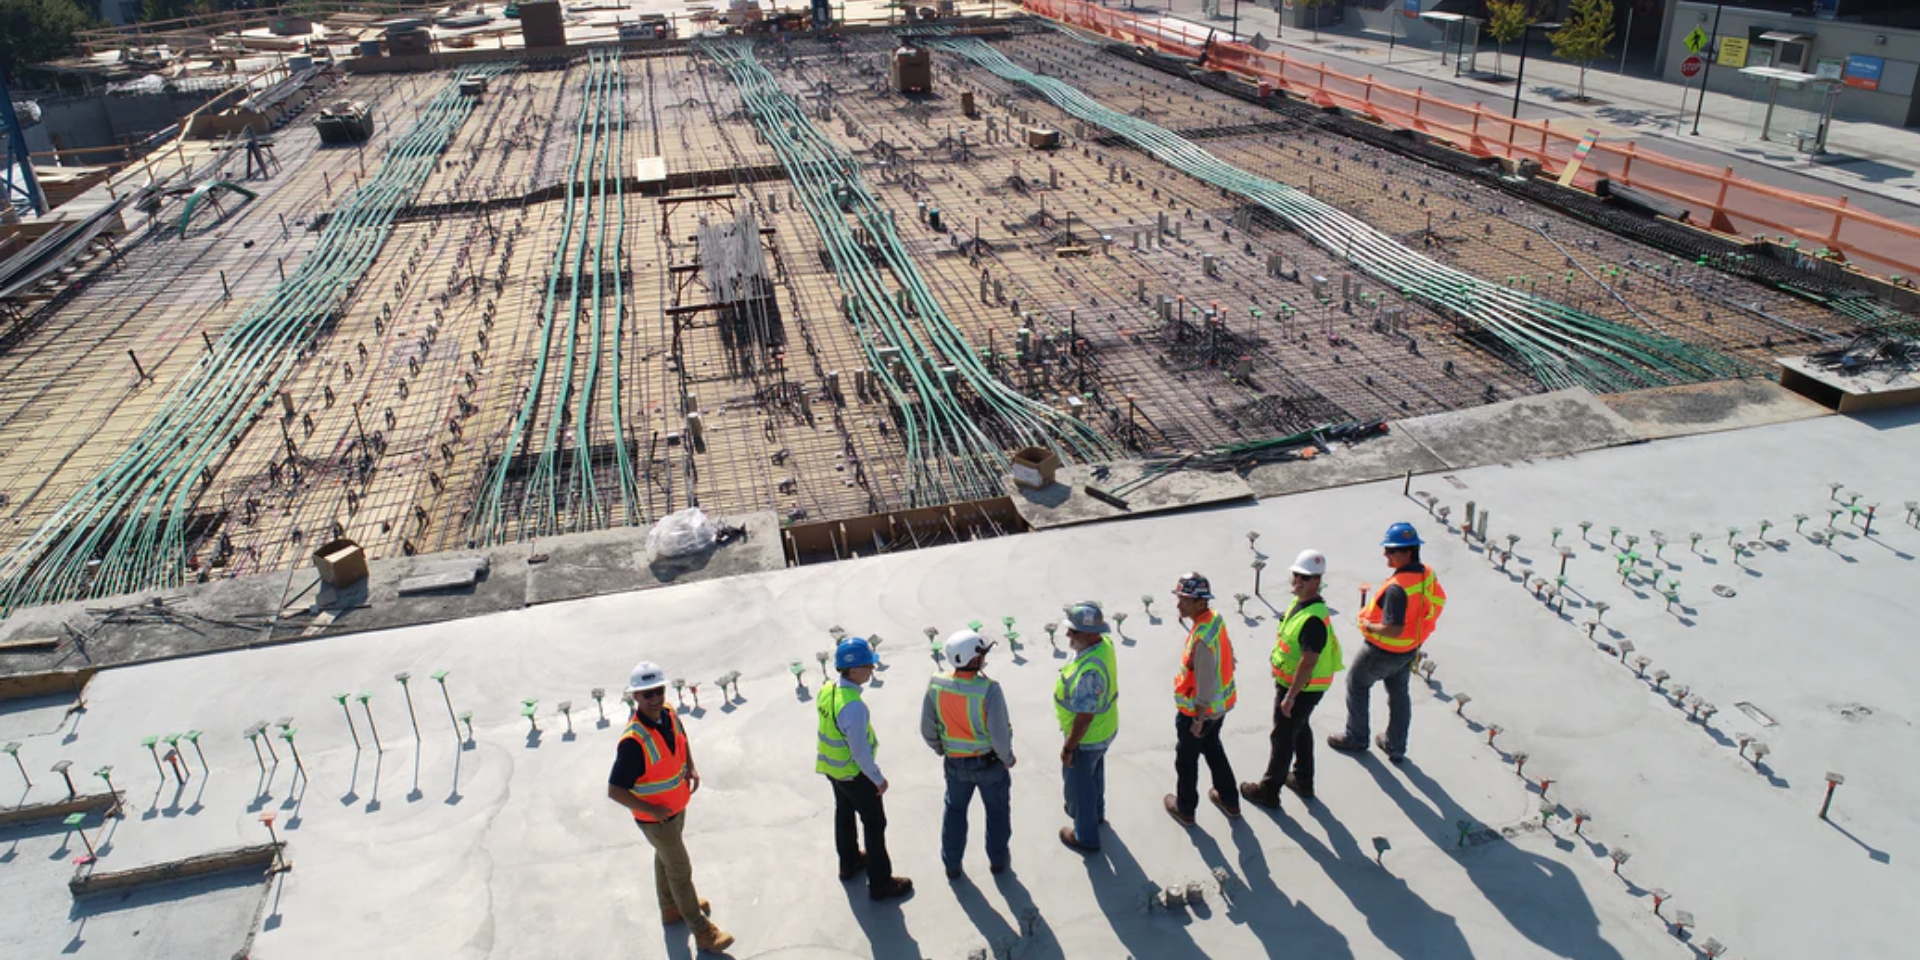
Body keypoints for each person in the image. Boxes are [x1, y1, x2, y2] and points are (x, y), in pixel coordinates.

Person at [606, 661, 735, 954]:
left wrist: (690, 765)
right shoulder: (633, 742)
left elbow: (681, 738)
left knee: (665, 858)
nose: (655, 698)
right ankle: (703, 932)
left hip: (676, 808)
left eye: (658, 691)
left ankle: (671, 908)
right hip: (657, 819)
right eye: (647, 693)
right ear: (635, 697)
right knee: (680, 869)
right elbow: (615, 790)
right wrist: (652, 811)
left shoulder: (669, 714)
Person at [1329, 522, 1448, 763]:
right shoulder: (1426, 574)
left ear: (1407, 553)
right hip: (1410, 648)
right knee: (1399, 694)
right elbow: (1433, 604)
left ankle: (1356, 737)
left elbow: (1393, 628)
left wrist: (1367, 625)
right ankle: (1395, 745)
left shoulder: (1397, 589)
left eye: (1391, 550)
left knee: (1357, 684)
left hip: (1382, 650)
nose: (1386, 554)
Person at [1240, 550, 1344, 809]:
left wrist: (1290, 696)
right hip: (1299, 686)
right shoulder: (1302, 605)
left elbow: (1308, 661)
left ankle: (1268, 790)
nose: (1298, 582)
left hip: (1301, 688)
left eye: (1305, 578)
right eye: (1296, 576)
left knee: (1282, 737)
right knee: (1299, 728)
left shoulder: (1313, 620)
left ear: (1317, 581)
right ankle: (1303, 779)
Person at [818, 637, 913, 901]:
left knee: (844, 812)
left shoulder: (828, 689)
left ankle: (849, 863)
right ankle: (881, 882)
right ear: (853, 669)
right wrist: (877, 779)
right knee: (874, 823)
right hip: (853, 773)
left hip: (832, 768)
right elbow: (859, 751)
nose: (872, 669)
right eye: (868, 666)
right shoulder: (854, 707)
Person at [922, 630, 1017, 878]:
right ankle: (998, 861)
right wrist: (1007, 758)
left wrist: (941, 748)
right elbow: (999, 734)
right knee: (997, 813)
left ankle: (952, 864)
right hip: (989, 764)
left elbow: (927, 728)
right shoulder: (989, 690)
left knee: (954, 812)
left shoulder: (937, 684)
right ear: (974, 660)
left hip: (954, 764)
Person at [1165, 572, 1240, 825]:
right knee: (1213, 749)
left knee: (1186, 761)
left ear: (1200, 603)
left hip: (1198, 714)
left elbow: (1205, 684)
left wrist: (1198, 718)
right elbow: (1227, 649)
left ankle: (1185, 808)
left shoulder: (1202, 638)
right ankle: (1230, 799)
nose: (1179, 604)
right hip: (1219, 709)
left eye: (1184, 600)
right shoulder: (1214, 621)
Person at [1055, 601, 1118, 853]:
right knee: (1094, 775)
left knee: (1080, 788)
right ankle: (1097, 814)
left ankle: (1086, 836)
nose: (1069, 635)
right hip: (1105, 731)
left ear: (1092, 634)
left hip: (1087, 738)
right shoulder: (1104, 645)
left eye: (1075, 631)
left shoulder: (1089, 672)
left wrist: (1069, 748)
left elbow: (1084, 717)